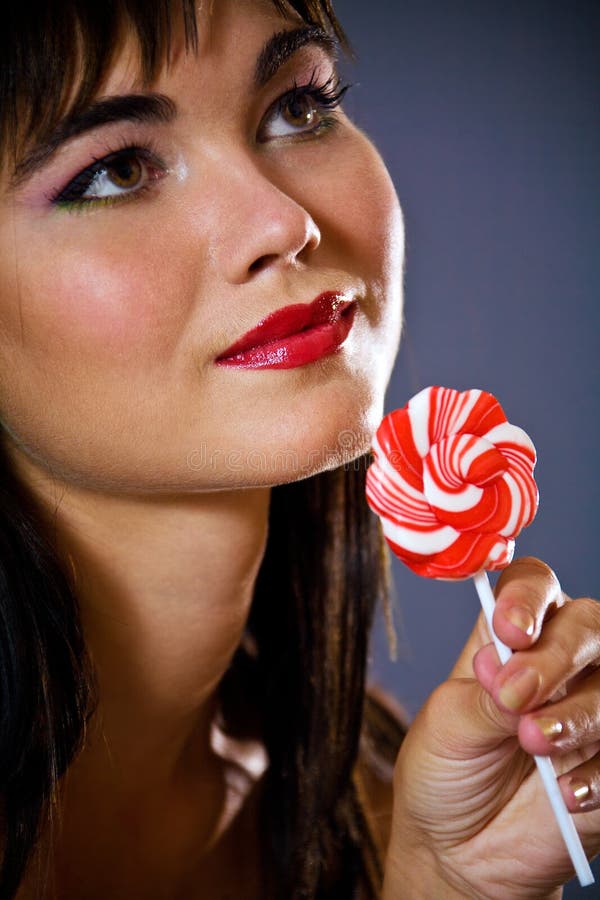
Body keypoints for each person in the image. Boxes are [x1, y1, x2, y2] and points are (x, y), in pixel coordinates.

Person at [0, 1, 597, 898]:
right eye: (116, 169)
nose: (283, 223)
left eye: (299, 107)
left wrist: (447, 886)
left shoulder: (386, 797)